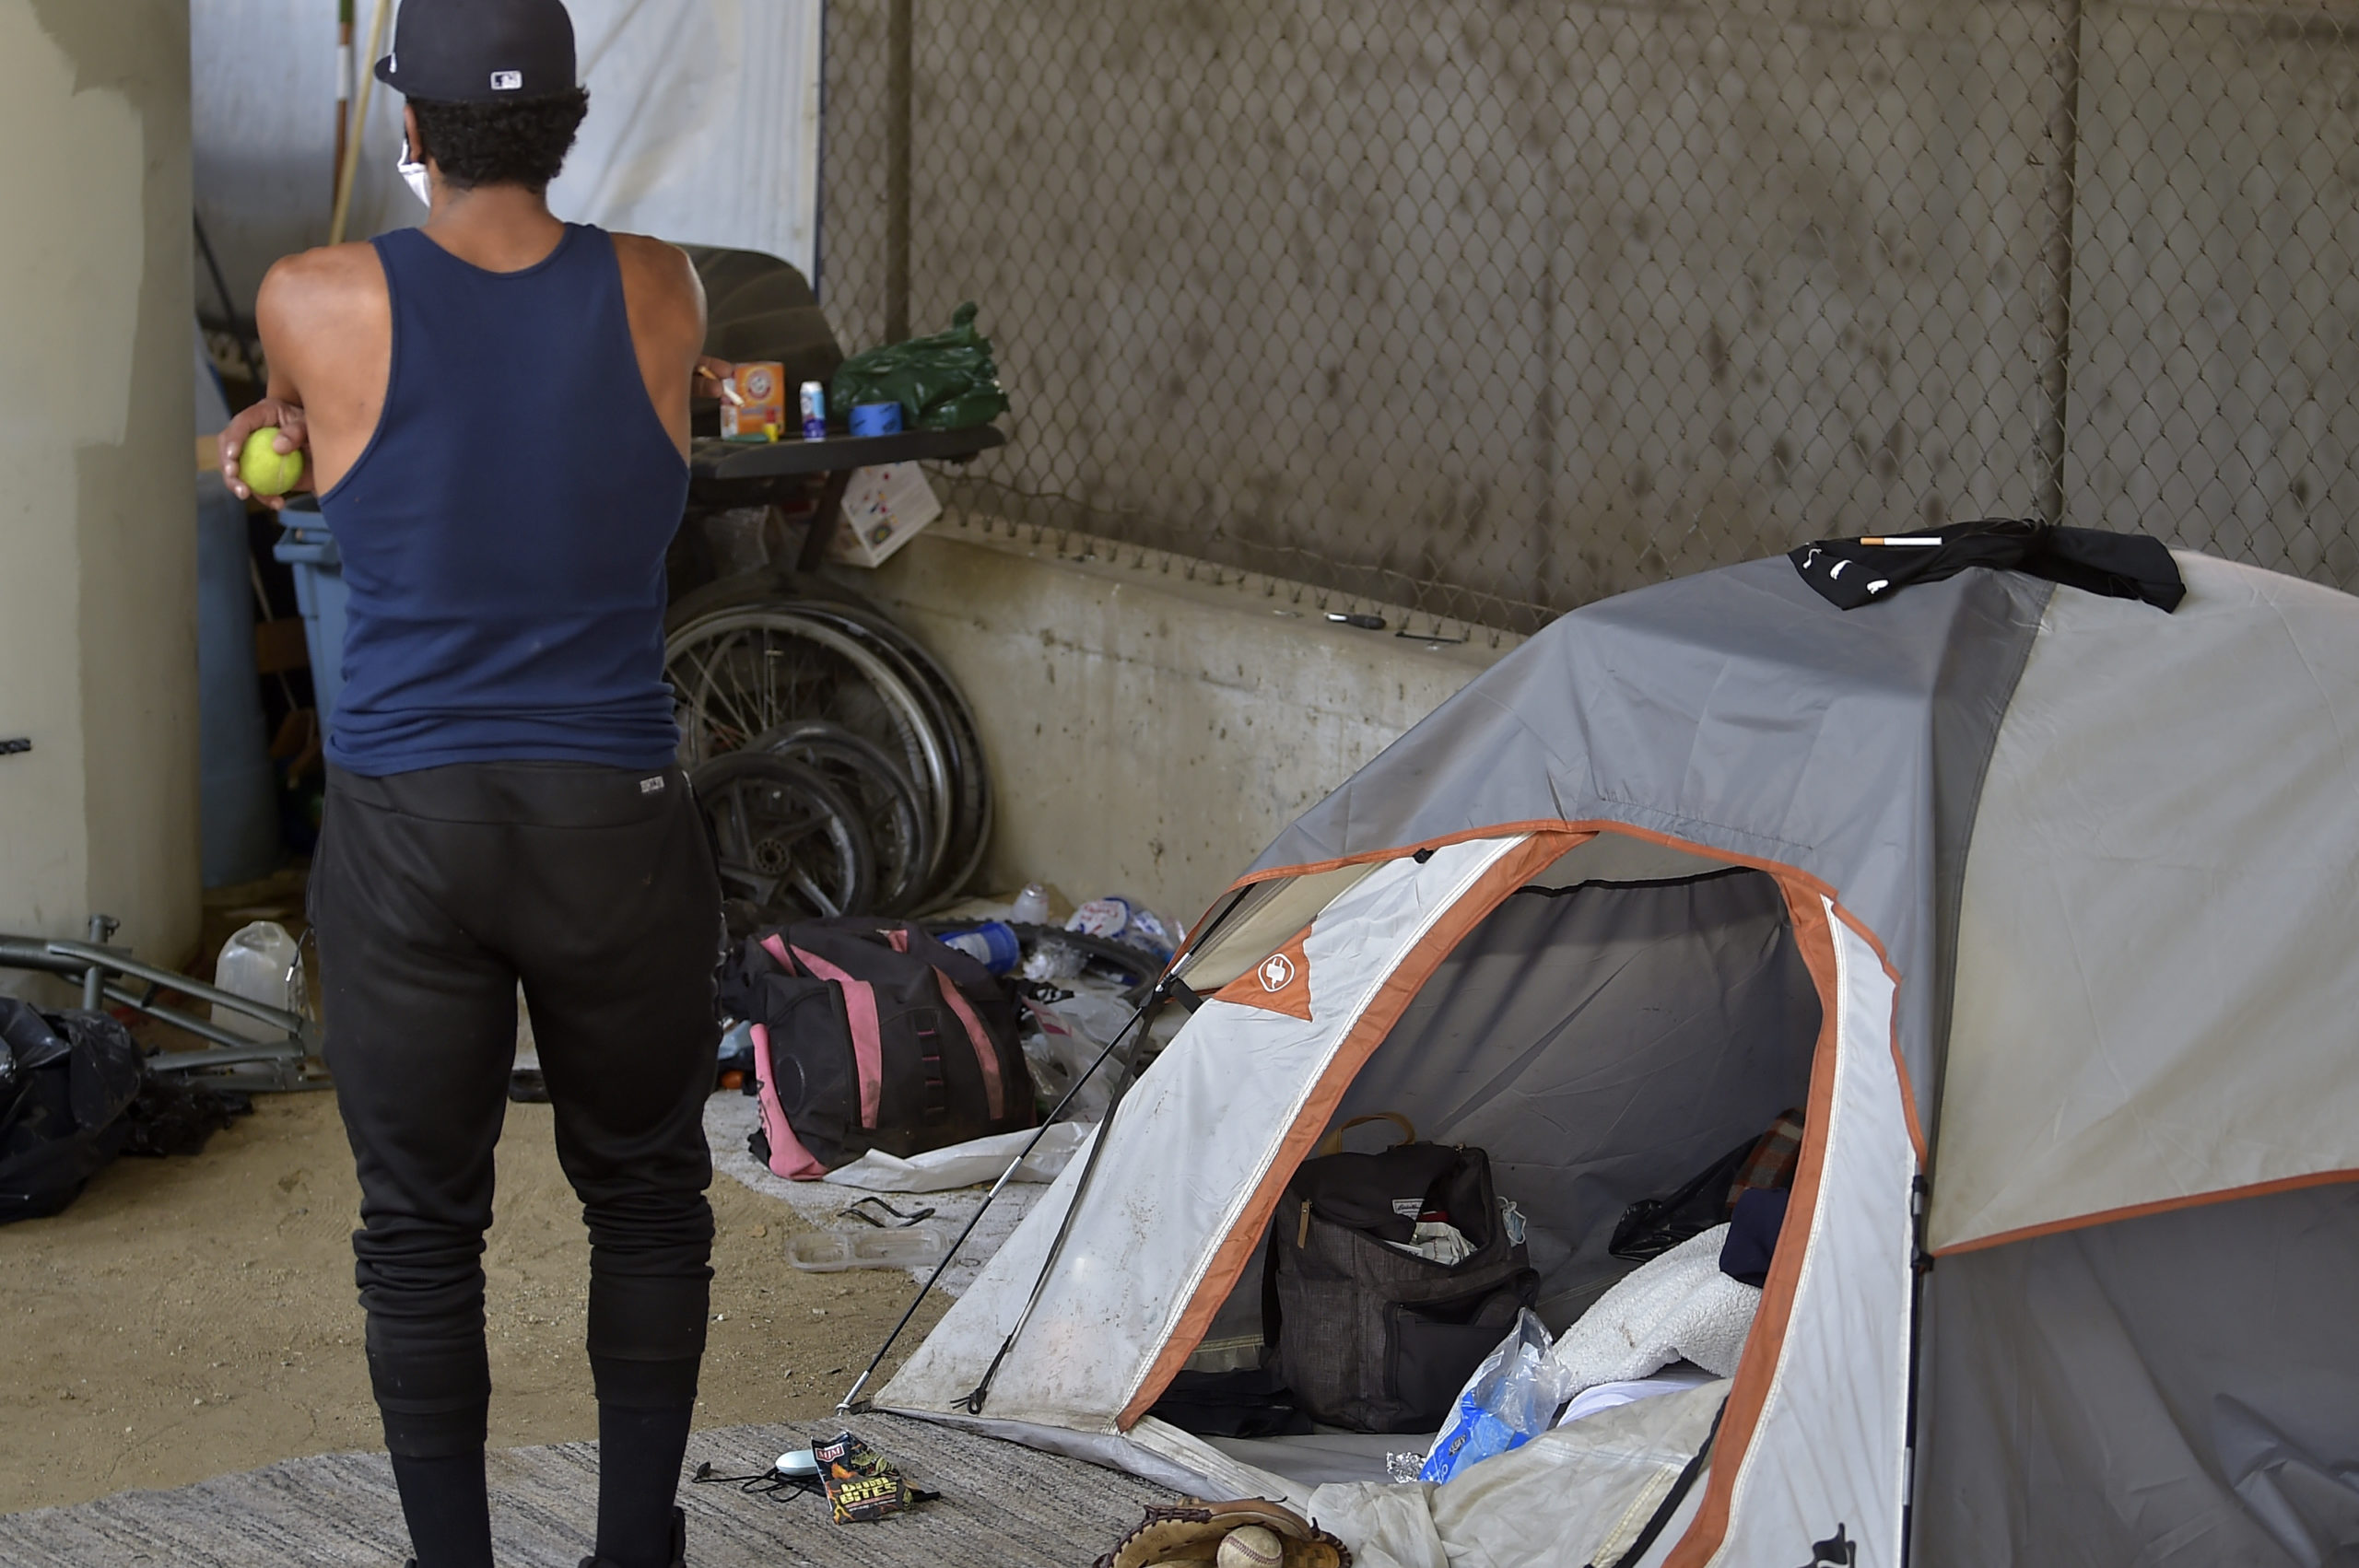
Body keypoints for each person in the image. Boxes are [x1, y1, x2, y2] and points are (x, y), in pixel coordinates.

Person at [219, 4, 727, 1564]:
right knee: (645, 1196)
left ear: (411, 129)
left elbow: (302, 444)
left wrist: (262, 437)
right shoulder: (664, 287)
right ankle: (636, 1547)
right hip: (615, 820)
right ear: (565, 122)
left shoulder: (312, 295)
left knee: (420, 1231)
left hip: (408, 825)